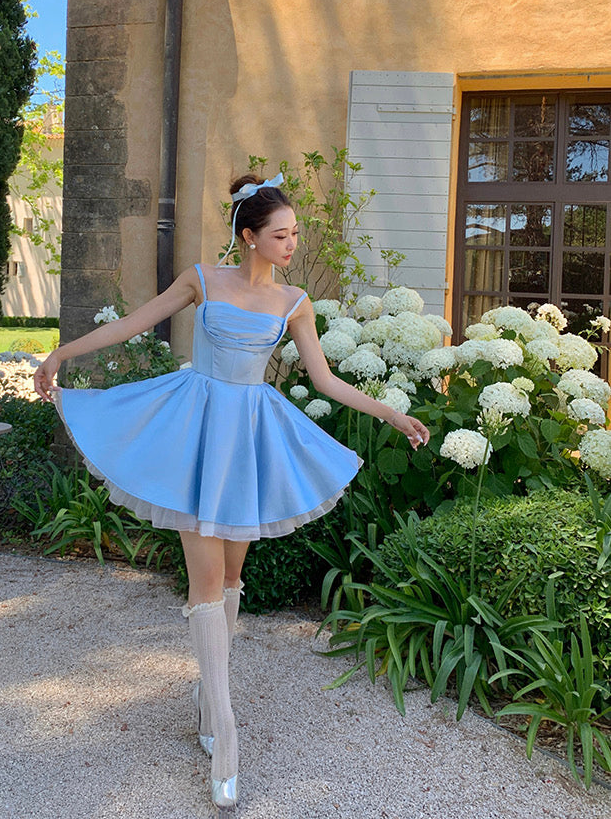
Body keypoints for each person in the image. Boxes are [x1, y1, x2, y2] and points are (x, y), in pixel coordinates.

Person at [33, 172, 430, 810]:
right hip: (195, 435)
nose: (292, 244)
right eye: (281, 234)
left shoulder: (295, 302)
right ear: (249, 236)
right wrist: (61, 354)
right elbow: (133, 324)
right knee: (207, 580)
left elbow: (325, 381)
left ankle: (205, 697)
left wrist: (391, 414)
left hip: (245, 442)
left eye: (295, 234)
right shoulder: (202, 280)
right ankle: (225, 726)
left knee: (232, 579)